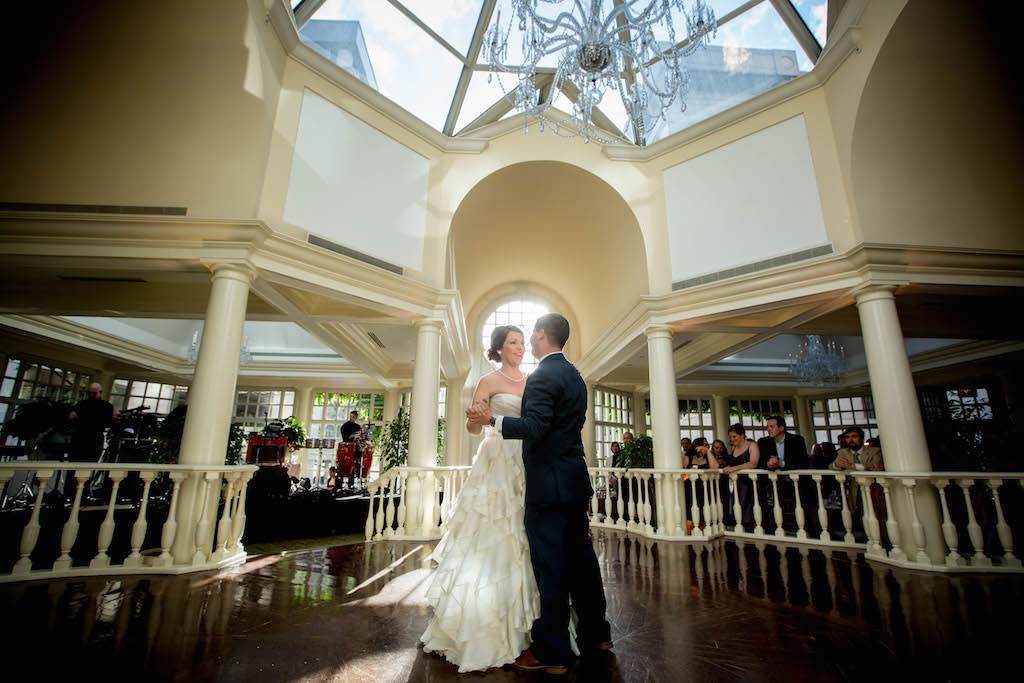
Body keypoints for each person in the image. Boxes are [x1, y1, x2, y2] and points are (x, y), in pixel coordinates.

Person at [466, 313, 611, 674]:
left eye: (530, 335)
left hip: (548, 483)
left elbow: (536, 427)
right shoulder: (575, 375)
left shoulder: (544, 375)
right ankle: (598, 633)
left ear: (542, 335)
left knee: (550, 566)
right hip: (574, 479)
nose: (527, 341)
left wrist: (491, 421)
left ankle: (551, 651)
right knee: (583, 561)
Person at [756, 415, 811, 534]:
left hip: (796, 482)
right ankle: (771, 529)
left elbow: (802, 463)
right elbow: (760, 463)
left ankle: (805, 529)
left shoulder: (797, 440)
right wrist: (769, 464)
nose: (768, 429)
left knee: (803, 501)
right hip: (774, 483)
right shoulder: (763, 442)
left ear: (781, 428)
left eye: (772, 426)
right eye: (767, 427)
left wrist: (781, 464)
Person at [718, 424, 760, 530]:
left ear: (742, 435)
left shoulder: (752, 445)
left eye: (734, 436)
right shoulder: (733, 448)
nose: (732, 439)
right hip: (737, 484)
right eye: (731, 437)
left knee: (750, 511)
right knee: (737, 510)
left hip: (750, 484)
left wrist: (734, 468)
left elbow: (753, 463)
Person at [69, 382, 115, 462]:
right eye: (89, 393)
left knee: (90, 463)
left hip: (94, 439)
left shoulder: (106, 406)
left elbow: (108, 423)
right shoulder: (81, 404)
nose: (91, 395)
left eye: (94, 393)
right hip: (80, 438)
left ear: (100, 393)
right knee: (75, 464)